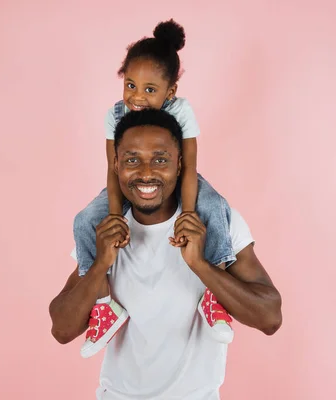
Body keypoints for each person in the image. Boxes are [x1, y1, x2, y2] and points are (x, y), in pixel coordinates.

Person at [49, 109, 283, 399]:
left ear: (180, 164)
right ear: (116, 164)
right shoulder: (105, 232)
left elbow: (270, 317)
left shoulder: (218, 224)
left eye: (160, 160)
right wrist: (100, 265)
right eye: (133, 160)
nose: (146, 173)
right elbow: (62, 329)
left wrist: (200, 264)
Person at [73, 19, 238, 358]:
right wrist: (116, 218)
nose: (137, 97)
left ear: (169, 93)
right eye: (130, 85)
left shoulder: (181, 111)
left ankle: (215, 295)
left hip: (178, 178)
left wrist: (189, 215)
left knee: (217, 207)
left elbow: (189, 168)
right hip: (135, 183)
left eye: (150, 90)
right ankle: (104, 307)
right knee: (84, 220)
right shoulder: (115, 115)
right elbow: (113, 169)